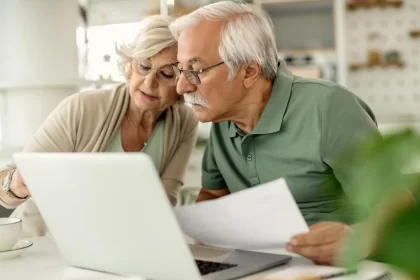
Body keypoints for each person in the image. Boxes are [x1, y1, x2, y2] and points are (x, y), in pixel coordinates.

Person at [168, 1, 392, 265]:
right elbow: (214, 195)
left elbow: (398, 210)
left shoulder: (328, 108)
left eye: (196, 70)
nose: (182, 86)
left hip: (349, 267)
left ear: (249, 71)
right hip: (266, 265)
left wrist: (357, 239)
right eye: (181, 70)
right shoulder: (222, 119)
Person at [0, 15, 198, 237]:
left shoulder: (184, 123)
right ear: (130, 65)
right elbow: (8, 187)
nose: (149, 82)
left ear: (184, 79)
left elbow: (164, 202)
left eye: (166, 74)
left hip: (118, 243)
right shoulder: (82, 107)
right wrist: (14, 186)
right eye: (144, 66)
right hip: (43, 240)